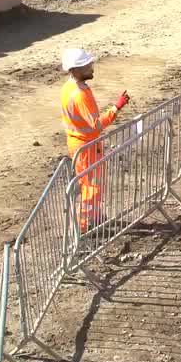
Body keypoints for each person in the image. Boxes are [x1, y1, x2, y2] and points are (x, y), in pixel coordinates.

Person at [60, 49, 129, 234]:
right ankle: (81, 229)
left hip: (80, 143)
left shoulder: (69, 87)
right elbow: (96, 125)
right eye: (87, 66)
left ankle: (95, 218)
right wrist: (116, 107)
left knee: (91, 183)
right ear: (76, 70)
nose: (92, 68)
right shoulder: (80, 95)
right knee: (92, 187)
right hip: (86, 146)